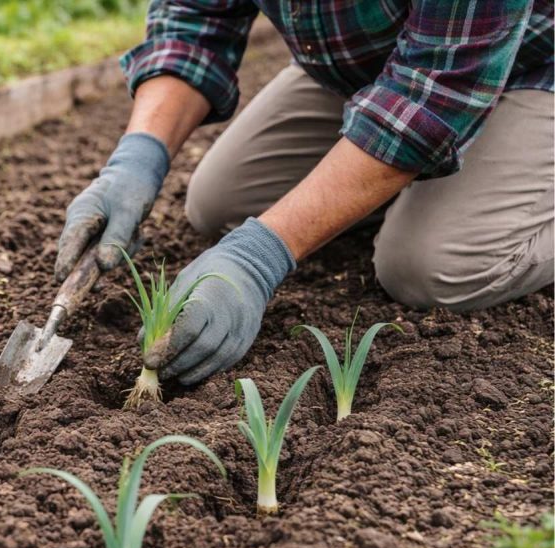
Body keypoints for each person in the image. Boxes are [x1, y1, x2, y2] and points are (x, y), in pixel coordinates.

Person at [56, 1, 554, 386]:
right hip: (378, 66)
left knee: (429, 267)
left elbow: (436, 92)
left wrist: (260, 256)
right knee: (220, 203)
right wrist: (137, 158)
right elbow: (193, 20)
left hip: (525, 65)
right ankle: (417, 185)